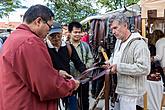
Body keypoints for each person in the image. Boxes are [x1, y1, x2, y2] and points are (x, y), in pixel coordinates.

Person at [0, 4, 80, 110]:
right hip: (27, 104)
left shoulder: (15, 37)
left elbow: (29, 73)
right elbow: (46, 86)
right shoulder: (30, 41)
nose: (49, 30)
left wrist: (56, 73)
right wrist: (71, 85)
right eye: (49, 26)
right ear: (38, 21)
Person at [106, 13, 150, 110]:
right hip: (119, 90)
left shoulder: (139, 44)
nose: (113, 32)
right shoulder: (118, 41)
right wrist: (110, 62)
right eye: (112, 29)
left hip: (131, 94)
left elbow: (145, 68)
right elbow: (115, 57)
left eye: (115, 28)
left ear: (125, 25)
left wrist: (118, 67)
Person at [46, 22, 86, 109]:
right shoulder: (44, 48)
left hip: (67, 85)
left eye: (58, 35)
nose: (56, 38)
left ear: (62, 33)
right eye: (53, 35)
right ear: (47, 35)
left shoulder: (68, 47)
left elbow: (78, 63)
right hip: (51, 87)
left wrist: (86, 73)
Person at [69, 21, 94, 110]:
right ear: (70, 33)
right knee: (71, 101)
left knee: (84, 101)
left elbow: (91, 58)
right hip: (70, 80)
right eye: (75, 32)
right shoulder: (65, 46)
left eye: (79, 32)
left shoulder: (85, 46)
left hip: (83, 79)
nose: (77, 34)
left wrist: (86, 67)